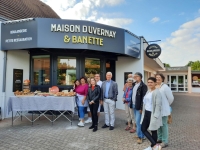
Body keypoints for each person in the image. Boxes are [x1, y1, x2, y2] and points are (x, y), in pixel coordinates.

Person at [141, 77, 162, 150]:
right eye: (148, 82)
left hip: (152, 114)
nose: (149, 84)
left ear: (155, 83)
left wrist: (155, 116)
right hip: (146, 112)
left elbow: (158, 105)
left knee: (153, 130)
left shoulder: (157, 92)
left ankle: (152, 146)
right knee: (143, 129)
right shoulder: (148, 91)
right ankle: (155, 145)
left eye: (151, 82)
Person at [156, 73, 174, 148]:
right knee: (158, 125)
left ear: (162, 79)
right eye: (156, 77)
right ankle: (159, 138)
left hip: (163, 110)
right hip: (156, 110)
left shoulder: (165, 87)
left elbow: (171, 98)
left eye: (159, 77)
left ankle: (165, 141)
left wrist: (166, 105)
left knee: (163, 125)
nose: (157, 79)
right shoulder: (155, 86)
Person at [131, 72, 147, 144]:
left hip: (138, 107)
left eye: (136, 76)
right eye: (134, 76)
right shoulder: (134, 84)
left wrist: (141, 108)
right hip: (134, 105)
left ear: (140, 77)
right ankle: (140, 135)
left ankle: (140, 137)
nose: (135, 77)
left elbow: (143, 98)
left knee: (138, 122)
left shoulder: (143, 86)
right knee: (136, 121)